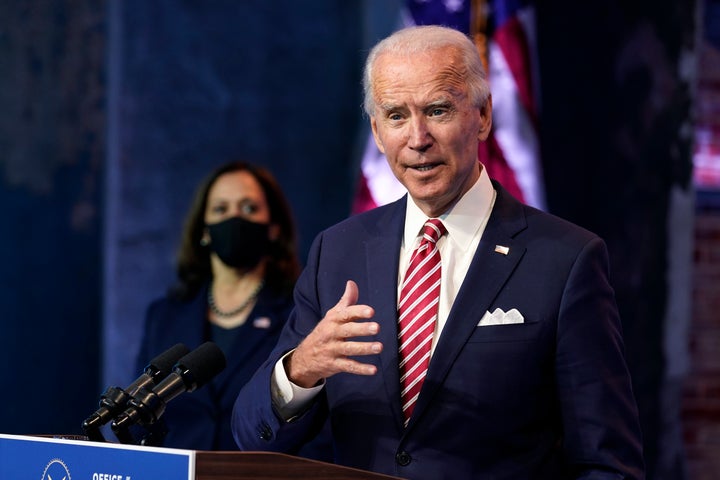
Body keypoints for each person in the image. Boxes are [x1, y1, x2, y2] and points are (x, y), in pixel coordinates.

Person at [231, 25, 645, 479]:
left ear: (483, 115)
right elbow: (253, 437)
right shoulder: (338, 251)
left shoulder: (566, 259)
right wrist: (301, 369)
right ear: (376, 129)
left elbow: (606, 463)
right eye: (395, 116)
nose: (418, 138)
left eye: (438, 110)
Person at [136, 161, 332, 459]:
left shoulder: (302, 313)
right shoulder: (164, 316)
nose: (234, 219)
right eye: (220, 210)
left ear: (274, 229)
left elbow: (319, 428)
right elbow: (142, 420)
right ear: (204, 230)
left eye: (249, 209)